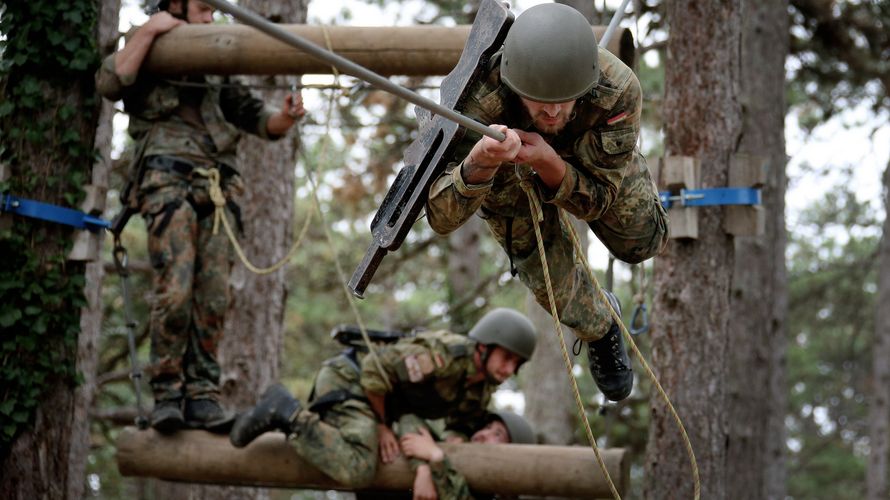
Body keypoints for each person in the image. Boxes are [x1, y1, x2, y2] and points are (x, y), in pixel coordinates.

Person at [425, 3, 668, 403]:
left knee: (643, 242)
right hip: (503, 172)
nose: (553, 112)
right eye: (539, 101)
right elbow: (441, 217)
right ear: (514, 85)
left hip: (589, 157)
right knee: (556, 289)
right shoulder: (475, 103)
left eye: (563, 100)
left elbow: (599, 199)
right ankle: (602, 324)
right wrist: (479, 163)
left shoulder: (617, 89)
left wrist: (548, 161)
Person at [95, 0, 305, 433]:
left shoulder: (216, 63)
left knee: (213, 297)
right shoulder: (148, 45)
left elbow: (258, 120)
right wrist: (152, 31)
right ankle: (168, 394)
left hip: (217, 188)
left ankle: (202, 395)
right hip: (166, 180)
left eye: (214, 11)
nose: (211, 19)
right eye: (203, 10)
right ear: (176, 5)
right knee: (175, 290)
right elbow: (111, 81)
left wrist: (285, 117)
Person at [228, 308, 538, 489]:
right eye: (506, 358)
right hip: (351, 381)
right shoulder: (444, 356)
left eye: (516, 364)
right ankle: (287, 411)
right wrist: (381, 426)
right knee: (360, 466)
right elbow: (375, 374)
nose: (509, 369)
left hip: (382, 402)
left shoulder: (480, 387)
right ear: (485, 346)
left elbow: (460, 427)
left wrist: (434, 461)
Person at [395, 411, 536, 500]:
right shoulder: (451, 451)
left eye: (498, 435)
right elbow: (409, 419)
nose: (483, 434)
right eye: (487, 427)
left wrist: (437, 458)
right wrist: (422, 468)